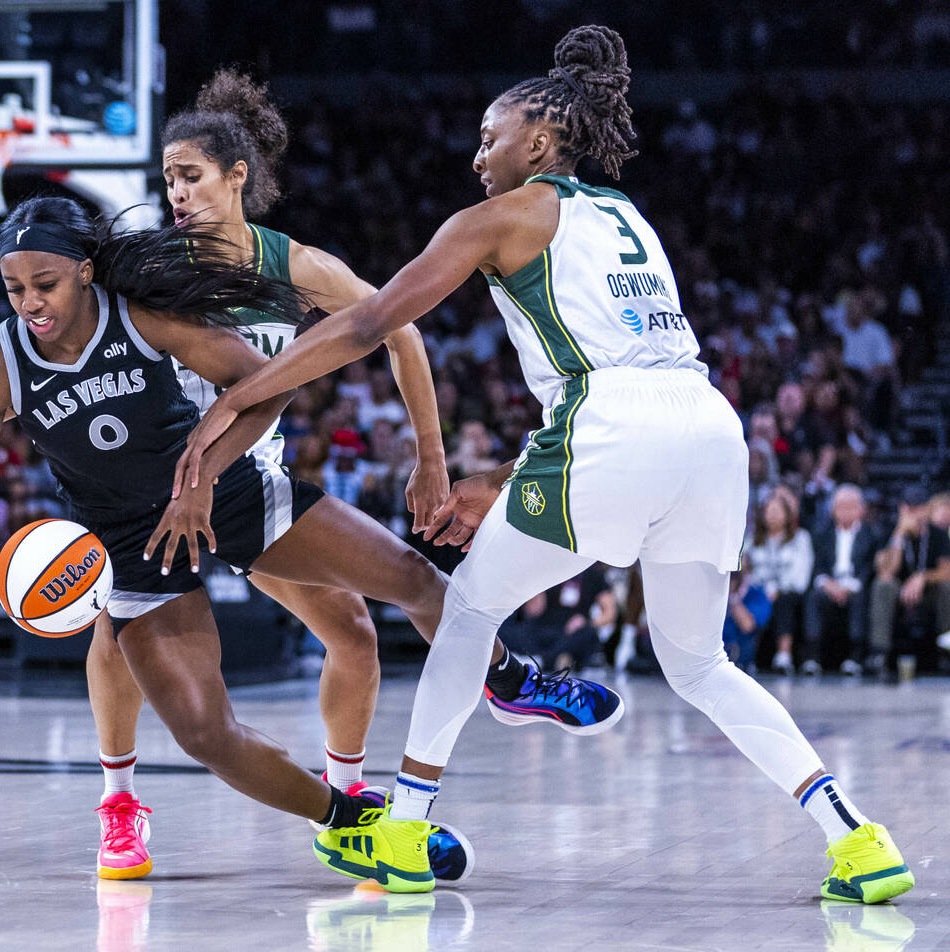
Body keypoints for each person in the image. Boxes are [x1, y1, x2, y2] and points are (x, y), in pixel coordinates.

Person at [174, 24, 914, 903]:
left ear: (540, 139)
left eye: (490, 139)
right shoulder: (629, 215)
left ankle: (405, 831)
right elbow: (625, 383)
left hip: (611, 420)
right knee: (700, 663)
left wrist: (237, 396)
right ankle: (859, 841)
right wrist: (501, 482)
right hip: (710, 429)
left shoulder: (503, 215)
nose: (477, 156)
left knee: (467, 611)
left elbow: (371, 324)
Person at [0, 75, 619, 886]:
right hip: (141, 500)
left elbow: (394, 335)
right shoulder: (138, 269)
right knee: (112, 633)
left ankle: (365, 799)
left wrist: (431, 454)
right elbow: (40, 363)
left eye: (190, 175)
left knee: (361, 628)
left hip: (237, 475)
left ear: (238, 176)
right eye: (167, 180)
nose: (175, 194)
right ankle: (120, 802)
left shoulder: (293, 266)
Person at [869, 485, 950, 678]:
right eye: (910, 508)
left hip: (927, 592)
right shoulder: (889, 532)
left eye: (920, 507)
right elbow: (885, 572)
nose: (916, 513)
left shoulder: (936, 534)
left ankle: (946, 650)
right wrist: (898, 536)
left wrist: (922, 577)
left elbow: (947, 571)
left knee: (946, 586)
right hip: (897, 591)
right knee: (883, 586)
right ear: (902, 509)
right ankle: (879, 654)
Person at [803, 484, 877, 676]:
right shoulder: (822, 533)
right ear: (833, 510)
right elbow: (817, 566)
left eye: (851, 506)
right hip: (829, 584)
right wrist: (829, 585)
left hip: (856, 586)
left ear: (861, 509)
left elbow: (870, 567)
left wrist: (848, 587)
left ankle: (855, 658)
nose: (845, 512)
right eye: (841, 507)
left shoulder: (872, 535)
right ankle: (812, 658)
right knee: (813, 597)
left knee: (859, 599)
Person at [746, 486, 814, 675]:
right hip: (758, 591)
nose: (773, 516)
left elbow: (801, 577)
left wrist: (776, 589)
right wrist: (764, 588)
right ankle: (746, 656)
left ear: (787, 515)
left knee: (783, 601)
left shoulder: (801, 539)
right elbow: (746, 573)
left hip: (788, 593)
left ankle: (784, 656)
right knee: (746, 601)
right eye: (769, 511)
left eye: (778, 511)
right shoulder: (752, 541)